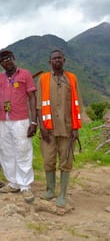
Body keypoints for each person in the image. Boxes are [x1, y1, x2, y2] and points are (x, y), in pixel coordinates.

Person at [0, 50, 37, 203]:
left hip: (21, 119)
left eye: (8, 59)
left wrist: (33, 121)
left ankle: (25, 186)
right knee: (6, 151)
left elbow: (32, 97)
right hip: (3, 120)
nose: (6, 61)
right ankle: (13, 182)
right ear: (0, 63)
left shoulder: (25, 74)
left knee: (23, 150)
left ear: (14, 59)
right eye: (3, 60)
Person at [36, 49, 82, 211]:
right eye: (54, 58)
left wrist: (76, 128)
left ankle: (62, 194)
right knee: (48, 160)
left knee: (66, 161)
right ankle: (50, 190)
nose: (57, 60)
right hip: (49, 129)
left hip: (68, 129)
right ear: (50, 62)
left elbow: (77, 104)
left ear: (64, 60)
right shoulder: (43, 79)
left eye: (59, 58)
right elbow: (39, 106)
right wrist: (41, 126)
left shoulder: (72, 79)